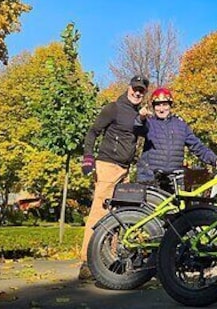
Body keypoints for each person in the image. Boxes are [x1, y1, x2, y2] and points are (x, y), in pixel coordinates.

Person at [78, 74, 149, 280]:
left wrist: (143, 119)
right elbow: (92, 132)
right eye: (135, 88)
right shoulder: (114, 108)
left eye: (141, 90)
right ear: (129, 88)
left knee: (119, 216)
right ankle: (86, 262)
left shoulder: (139, 114)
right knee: (99, 213)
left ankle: (109, 262)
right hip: (108, 165)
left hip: (125, 169)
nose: (137, 92)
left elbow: (143, 133)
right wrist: (88, 159)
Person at [135, 87, 217, 192]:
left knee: (175, 208)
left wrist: (215, 160)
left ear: (170, 105)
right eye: (158, 105)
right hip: (150, 178)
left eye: (165, 104)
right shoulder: (149, 123)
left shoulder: (181, 125)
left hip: (174, 180)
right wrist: (141, 118)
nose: (161, 109)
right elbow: (137, 128)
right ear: (153, 107)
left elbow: (197, 146)